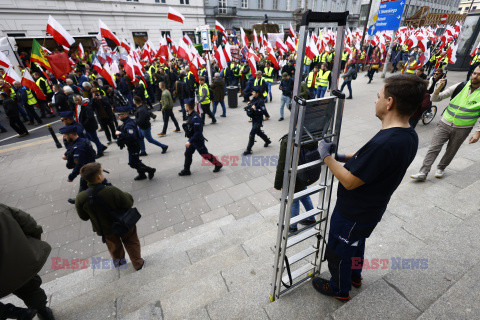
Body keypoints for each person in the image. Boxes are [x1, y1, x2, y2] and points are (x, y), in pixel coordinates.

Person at [312, 74, 426, 302]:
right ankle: (355, 276)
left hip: (352, 213)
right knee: (356, 244)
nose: (376, 101)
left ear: (390, 102)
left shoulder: (387, 142)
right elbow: (368, 159)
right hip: (370, 211)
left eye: (378, 96)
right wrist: (340, 156)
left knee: (339, 251)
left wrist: (326, 157)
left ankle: (339, 288)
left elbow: (350, 181)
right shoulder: (407, 134)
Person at [411, 65, 480, 181]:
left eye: (479, 75)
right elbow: (435, 99)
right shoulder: (461, 85)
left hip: (463, 127)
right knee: (434, 147)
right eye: (474, 73)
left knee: (451, 150)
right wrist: (438, 89)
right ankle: (423, 171)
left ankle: (441, 167)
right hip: (445, 122)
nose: (475, 76)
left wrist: (478, 133)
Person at [74, 162, 145, 271]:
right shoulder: (110, 190)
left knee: (114, 246)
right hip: (123, 223)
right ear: (99, 176)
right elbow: (128, 202)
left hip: (105, 229)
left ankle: (120, 265)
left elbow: (83, 217)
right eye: (102, 172)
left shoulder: (81, 198)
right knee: (131, 241)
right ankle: (137, 263)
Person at [0, 204, 55, 320]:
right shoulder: (1, 209)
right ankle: (43, 311)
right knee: (30, 289)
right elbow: (26, 221)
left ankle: (12, 312)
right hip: (17, 262)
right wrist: (36, 235)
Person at [274, 134, 317, 232]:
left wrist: (277, 183)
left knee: (293, 201)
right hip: (306, 173)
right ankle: (311, 218)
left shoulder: (288, 140)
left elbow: (282, 163)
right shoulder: (312, 134)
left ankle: (292, 226)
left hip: (293, 176)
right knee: (304, 196)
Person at [179, 98, 223, 176]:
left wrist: (190, 141)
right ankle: (186, 170)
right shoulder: (190, 115)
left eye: (185, 105)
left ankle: (218, 164)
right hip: (192, 140)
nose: (184, 106)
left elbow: (198, 133)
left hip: (197, 140)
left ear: (188, 107)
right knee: (187, 153)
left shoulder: (196, 118)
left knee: (205, 155)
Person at [115, 106, 156, 181]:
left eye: (119, 114)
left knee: (133, 163)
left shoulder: (129, 124)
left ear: (125, 114)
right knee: (135, 161)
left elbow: (131, 137)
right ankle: (142, 174)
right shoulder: (126, 122)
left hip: (134, 146)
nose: (118, 116)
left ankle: (150, 170)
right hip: (132, 146)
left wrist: (120, 133)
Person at [60, 124, 97, 204]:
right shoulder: (81, 140)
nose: (64, 138)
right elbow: (71, 148)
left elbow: (79, 165)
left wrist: (71, 176)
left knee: (85, 185)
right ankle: (81, 199)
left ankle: (79, 201)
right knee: (87, 185)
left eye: (65, 136)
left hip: (87, 170)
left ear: (70, 135)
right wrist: (66, 154)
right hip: (91, 167)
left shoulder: (79, 148)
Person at [243, 86, 271, 155]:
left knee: (252, 133)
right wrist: (250, 104)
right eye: (252, 92)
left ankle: (248, 149)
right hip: (254, 119)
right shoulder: (254, 99)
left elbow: (262, 111)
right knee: (258, 132)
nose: (252, 93)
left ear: (257, 93)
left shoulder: (260, 101)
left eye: (253, 92)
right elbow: (252, 106)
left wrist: (256, 109)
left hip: (258, 120)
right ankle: (267, 141)